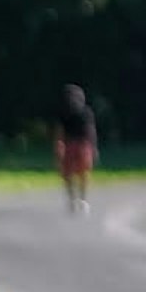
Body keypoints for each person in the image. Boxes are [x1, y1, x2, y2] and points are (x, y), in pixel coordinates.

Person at [53, 84, 97, 214]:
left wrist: (93, 146)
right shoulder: (64, 113)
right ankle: (75, 199)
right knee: (72, 174)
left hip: (81, 144)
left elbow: (90, 130)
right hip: (73, 144)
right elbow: (59, 131)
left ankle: (80, 199)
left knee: (80, 173)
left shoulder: (85, 112)